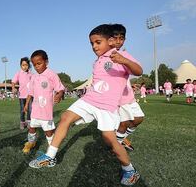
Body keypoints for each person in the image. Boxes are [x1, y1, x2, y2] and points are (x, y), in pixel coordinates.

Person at [28, 24, 142, 186]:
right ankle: (50, 156)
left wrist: (124, 60)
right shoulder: (98, 61)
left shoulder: (120, 55)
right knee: (66, 116)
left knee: (110, 139)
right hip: (90, 99)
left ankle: (130, 170)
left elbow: (138, 70)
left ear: (110, 41)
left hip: (106, 106)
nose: (94, 46)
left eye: (97, 42)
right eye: (92, 43)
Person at [21, 50, 65, 154]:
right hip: (35, 111)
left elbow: (60, 89)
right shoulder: (34, 77)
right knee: (32, 128)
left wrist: (59, 95)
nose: (36, 67)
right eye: (34, 64)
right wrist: (26, 104)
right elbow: (30, 93)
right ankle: (31, 143)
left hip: (46, 112)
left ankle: (52, 148)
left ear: (46, 62)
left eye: (39, 63)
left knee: (48, 132)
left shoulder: (52, 75)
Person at [111, 24, 144, 152]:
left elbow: (138, 70)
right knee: (123, 123)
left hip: (128, 96)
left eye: (121, 38)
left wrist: (124, 60)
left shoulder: (125, 55)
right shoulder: (105, 56)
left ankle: (121, 139)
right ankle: (116, 147)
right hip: (118, 98)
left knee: (139, 119)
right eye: (115, 38)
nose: (118, 41)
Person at [12, 57, 33, 130]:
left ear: (28, 65)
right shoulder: (18, 73)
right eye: (23, 65)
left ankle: (28, 122)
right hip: (21, 96)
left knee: (30, 109)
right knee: (22, 110)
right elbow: (13, 81)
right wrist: (13, 88)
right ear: (20, 65)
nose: (25, 66)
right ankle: (22, 122)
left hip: (29, 95)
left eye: (26, 65)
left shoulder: (30, 73)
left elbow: (34, 82)